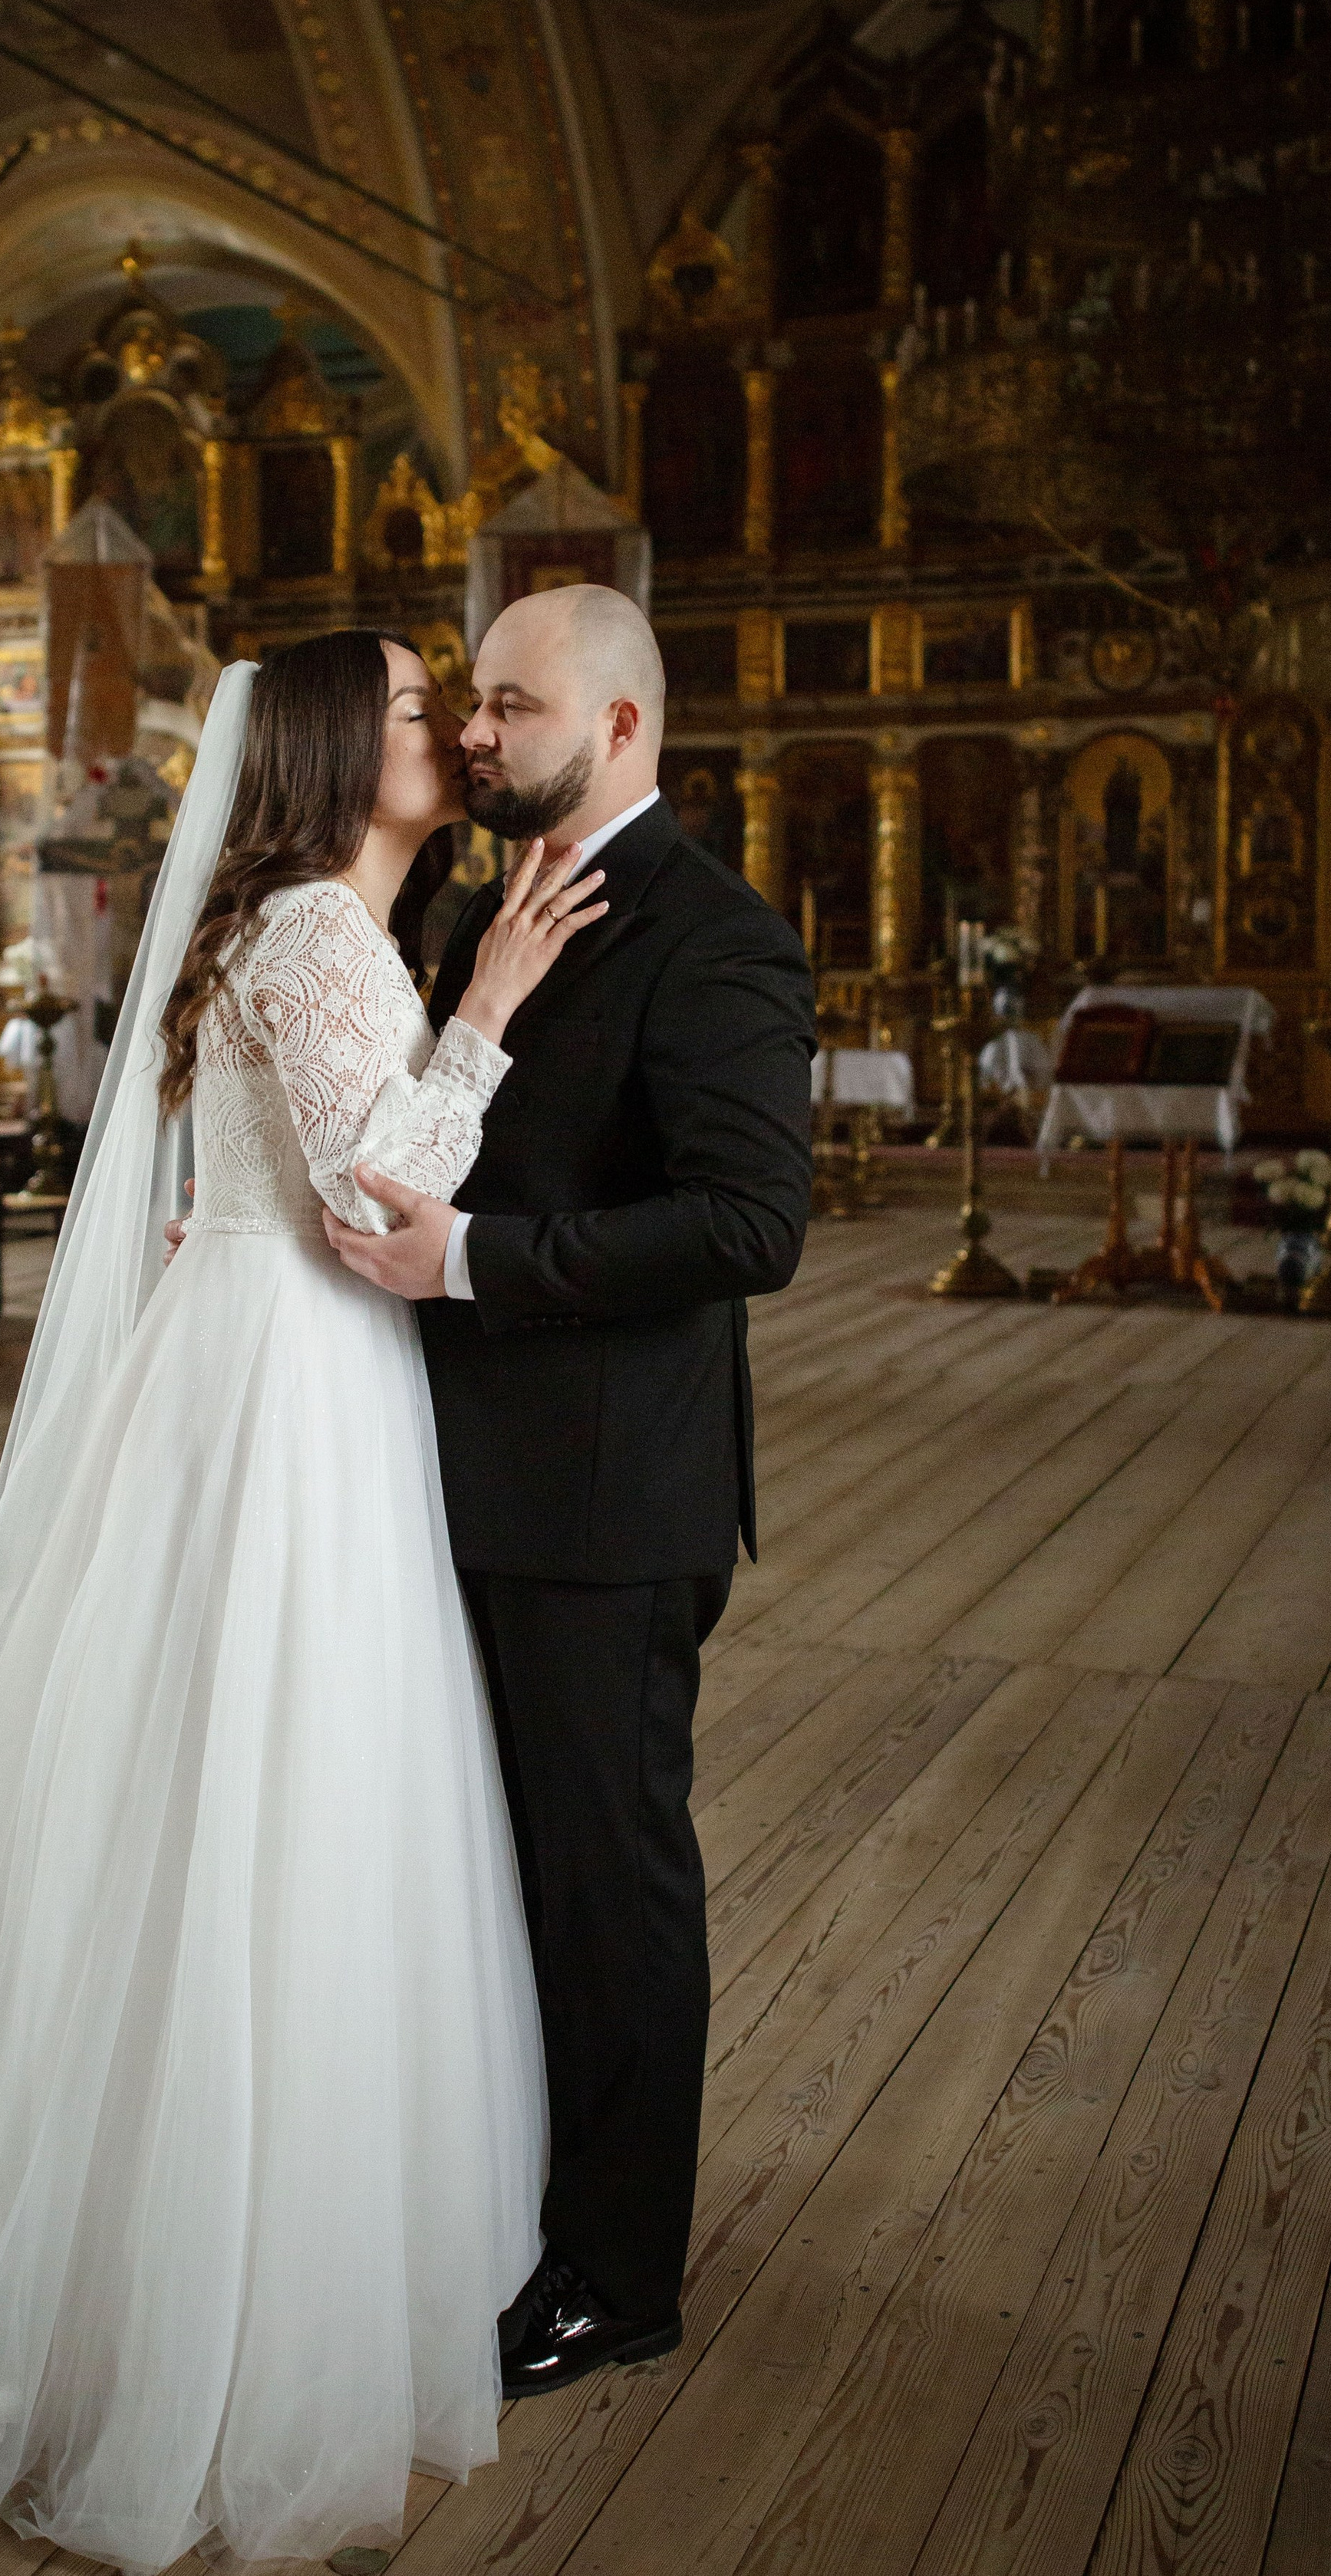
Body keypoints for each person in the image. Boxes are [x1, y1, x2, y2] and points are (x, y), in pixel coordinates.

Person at [0, 633, 608, 2576]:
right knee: (264, 1791)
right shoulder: (308, 931)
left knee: (273, 1786)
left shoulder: (307, 926)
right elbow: (381, 1194)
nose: (437, 727)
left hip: (282, 1371)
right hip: (285, 1388)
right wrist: (493, 1011)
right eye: (397, 708)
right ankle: (190, 2307)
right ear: (313, 749)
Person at [325, 584, 816, 2397]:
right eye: (464, 701)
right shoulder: (471, 900)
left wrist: (472, 1260)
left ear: (617, 727)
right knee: (494, 1873)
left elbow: (748, 1221)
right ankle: (507, 2206)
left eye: (508, 705)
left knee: (607, 1887)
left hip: (607, 1501)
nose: (471, 731)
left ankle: (615, 2272)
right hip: (445, 1479)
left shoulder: (715, 937)